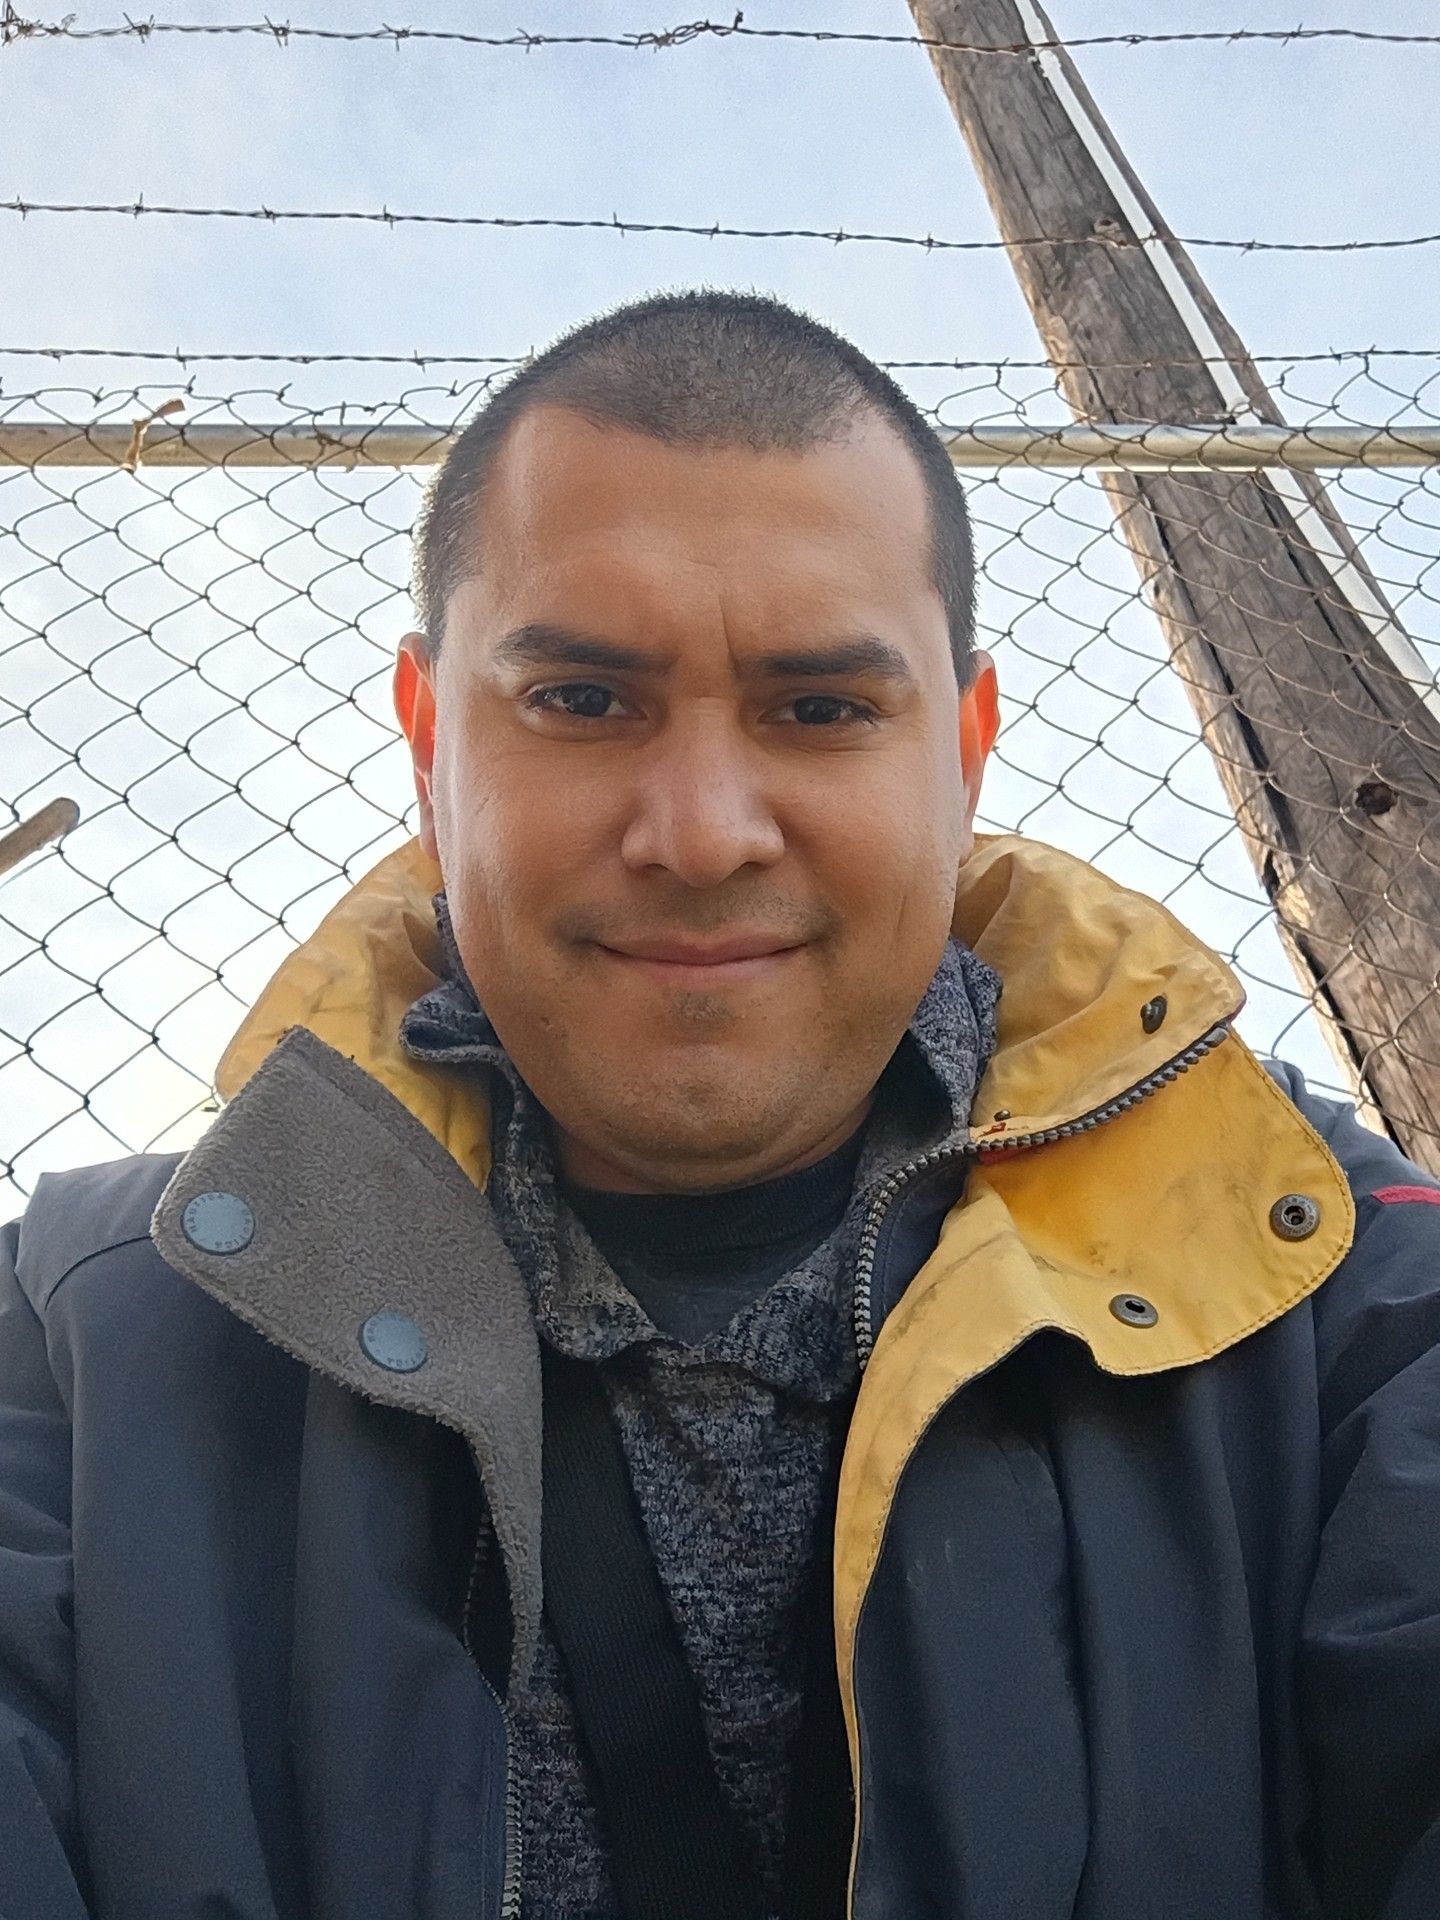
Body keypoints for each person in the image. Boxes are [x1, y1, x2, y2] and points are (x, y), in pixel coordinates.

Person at [3, 291, 1439, 1920]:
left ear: (965, 751)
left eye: (820, 708)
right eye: (581, 700)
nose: (700, 834)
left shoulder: (1331, 1279)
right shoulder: (80, 1333)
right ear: (429, 741)